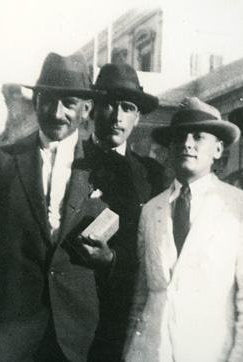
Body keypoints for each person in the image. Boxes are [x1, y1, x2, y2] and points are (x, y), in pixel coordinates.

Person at [0, 52, 127, 362]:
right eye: (47, 100)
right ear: (35, 100)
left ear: (87, 108)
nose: (56, 112)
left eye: (69, 103)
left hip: (76, 341)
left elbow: (129, 257)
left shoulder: (108, 171)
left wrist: (108, 258)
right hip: (7, 337)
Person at [125, 97, 243, 362]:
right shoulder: (151, 210)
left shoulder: (241, 208)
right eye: (179, 138)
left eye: (198, 136)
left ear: (218, 149)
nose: (187, 143)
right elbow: (142, 294)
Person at [85, 63, 169, 361]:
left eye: (127, 107)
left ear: (137, 116)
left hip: (126, 314)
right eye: (108, 105)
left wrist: (113, 259)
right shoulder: (71, 162)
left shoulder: (153, 175)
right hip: (72, 312)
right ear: (92, 109)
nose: (117, 117)